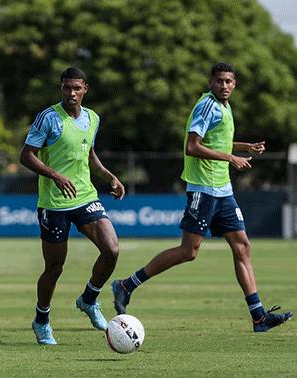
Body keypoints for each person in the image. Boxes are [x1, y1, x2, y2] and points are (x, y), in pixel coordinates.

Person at [111, 62, 293, 332]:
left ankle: (259, 317)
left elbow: (216, 142)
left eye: (229, 81)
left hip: (223, 190)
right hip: (203, 189)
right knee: (188, 251)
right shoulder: (207, 105)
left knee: (242, 247)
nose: (224, 86)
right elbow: (193, 146)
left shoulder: (225, 107)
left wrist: (245, 147)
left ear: (235, 84)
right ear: (211, 82)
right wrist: (231, 157)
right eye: (219, 81)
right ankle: (127, 285)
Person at [20, 67, 125, 345]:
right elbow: (26, 156)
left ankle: (89, 298)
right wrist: (54, 174)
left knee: (112, 249)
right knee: (55, 267)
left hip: (85, 196)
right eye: (67, 88)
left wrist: (109, 176)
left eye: (76, 88)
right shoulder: (49, 118)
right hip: (53, 203)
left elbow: (88, 153)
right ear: (61, 88)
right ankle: (41, 320)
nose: (71, 93)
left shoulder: (92, 118)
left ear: (85, 89)